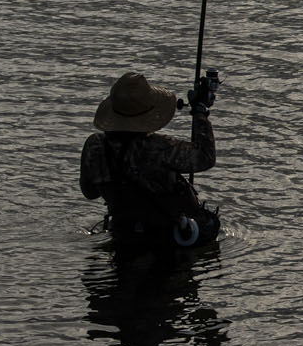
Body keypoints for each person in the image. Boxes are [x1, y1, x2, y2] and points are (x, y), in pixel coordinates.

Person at [80, 69, 220, 248]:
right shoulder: (159, 147)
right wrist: (200, 113)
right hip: (169, 238)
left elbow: (89, 192)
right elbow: (205, 158)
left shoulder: (95, 145)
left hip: (123, 235)